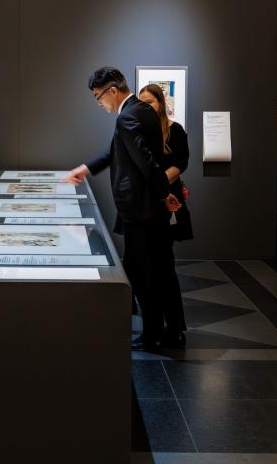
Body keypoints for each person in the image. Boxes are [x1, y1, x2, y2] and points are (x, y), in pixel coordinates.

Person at [63, 67, 179, 350]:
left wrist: (164, 193)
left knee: (143, 272)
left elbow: (145, 162)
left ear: (112, 91)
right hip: (146, 206)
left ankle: (152, 333)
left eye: (98, 97)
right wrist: (86, 168)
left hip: (139, 209)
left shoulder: (126, 118)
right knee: (148, 268)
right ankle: (163, 330)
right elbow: (117, 153)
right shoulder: (143, 111)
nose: (100, 104)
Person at [138, 83, 193, 347]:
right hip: (147, 204)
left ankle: (174, 328)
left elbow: (180, 163)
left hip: (166, 204)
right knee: (149, 269)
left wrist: (158, 183)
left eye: (150, 102)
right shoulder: (140, 130)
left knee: (164, 268)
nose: (146, 106)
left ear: (160, 102)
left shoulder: (174, 130)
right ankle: (155, 328)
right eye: (142, 102)